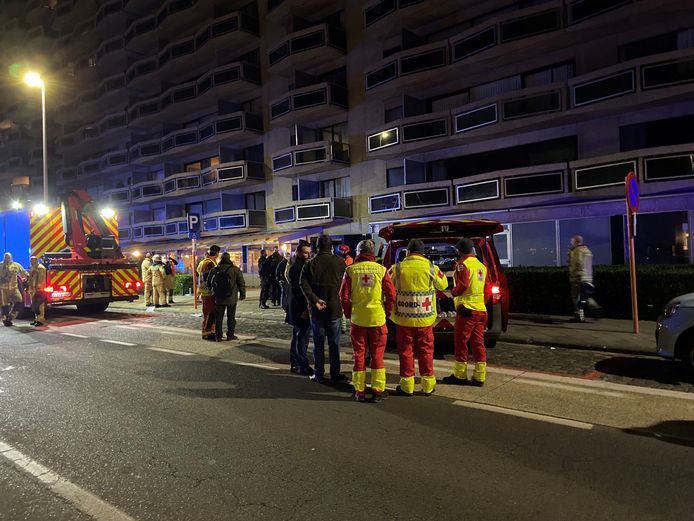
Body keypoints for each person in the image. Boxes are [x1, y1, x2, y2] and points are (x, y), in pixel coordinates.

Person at [389, 239, 448, 397]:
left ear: (407, 252)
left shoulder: (397, 268)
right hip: (425, 319)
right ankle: (428, 386)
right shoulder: (431, 268)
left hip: (403, 319)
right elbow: (443, 285)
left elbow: (387, 286)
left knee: (406, 351)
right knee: (426, 351)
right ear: (423, 253)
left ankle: (407, 386)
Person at [339, 239, 396, 403]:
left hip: (358, 319)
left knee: (359, 355)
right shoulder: (381, 270)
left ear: (358, 252)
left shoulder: (350, 270)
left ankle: (360, 390)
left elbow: (343, 296)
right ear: (373, 253)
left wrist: (349, 314)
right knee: (378, 355)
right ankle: (378, 391)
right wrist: (387, 312)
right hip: (377, 318)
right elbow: (391, 294)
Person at [442, 238, 491, 387]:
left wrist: (453, 292)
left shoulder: (462, 265)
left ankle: (460, 375)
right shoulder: (481, 266)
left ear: (460, 251)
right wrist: (481, 304)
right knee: (478, 343)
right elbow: (487, 289)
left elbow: (463, 285)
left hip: (467, 310)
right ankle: (479, 376)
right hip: (481, 310)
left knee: (461, 342)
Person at [300, 235, 347, 383]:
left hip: (317, 310)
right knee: (334, 344)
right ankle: (335, 373)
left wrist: (315, 300)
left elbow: (303, 284)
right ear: (331, 247)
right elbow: (346, 283)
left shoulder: (310, 264)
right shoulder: (340, 262)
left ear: (317, 247)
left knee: (318, 344)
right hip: (334, 308)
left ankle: (319, 373)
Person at [287, 241, 313, 375]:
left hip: (298, 306)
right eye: (305, 252)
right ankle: (300, 364)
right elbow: (299, 291)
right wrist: (305, 309)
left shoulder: (300, 265)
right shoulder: (298, 268)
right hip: (299, 307)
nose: (308, 255)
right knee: (301, 336)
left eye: (309, 252)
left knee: (298, 335)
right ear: (298, 252)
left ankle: (296, 362)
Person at [209, 252, 246, 342]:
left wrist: (213, 291)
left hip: (218, 297)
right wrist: (242, 294)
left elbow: (209, 283)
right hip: (231, 297)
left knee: (219, 317)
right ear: (229, 259)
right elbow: (241, 283)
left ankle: (218, 336)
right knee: (231, 316)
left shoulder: (215, 269)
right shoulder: (235, 269)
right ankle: (230, 335)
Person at [568, 235, 601, 322]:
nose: (571, 242)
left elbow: (577, 263)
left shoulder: (576, 251)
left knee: (576, 297)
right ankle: (595, 307)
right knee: (585, 296)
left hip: (578, 277)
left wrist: (575, 274)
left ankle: (579, 316)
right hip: (588, 277)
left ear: (576, 242)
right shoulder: (587, 250)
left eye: (572, 241)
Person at [197, 245, 220, 340]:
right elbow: (210, 279)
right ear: (217, 253)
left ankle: (207, 331)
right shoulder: (210, 263)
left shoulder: (203, 261)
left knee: (207, 313)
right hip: (209, 292)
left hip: (204, 292)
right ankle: (207, 333)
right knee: (210, 313)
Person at [0, 252, 28, 327]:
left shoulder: (16, 265)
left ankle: (11, 315)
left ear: (11, 257)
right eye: (5, 257)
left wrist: (27, 278)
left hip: (13, 288)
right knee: (4, 305)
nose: (7, 258)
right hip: (3, 289)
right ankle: (5, 319)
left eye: (8, 257)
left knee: (20, 300)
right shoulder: (0, 265)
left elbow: (24, 273)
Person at [27, 256, 47, 327]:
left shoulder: (40, 268)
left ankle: (40, 320)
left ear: (36, 260)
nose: (31, 262)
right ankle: (36, 319)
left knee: (40, 305)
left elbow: (41, 280)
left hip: (39, 290)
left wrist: (39, 289)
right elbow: (30, 278)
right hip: (33, 289)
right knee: (35, 305)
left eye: (33, 260)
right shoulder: (33, 267)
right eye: (30, 260)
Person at [276, 251, 290, 317]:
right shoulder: (282, 263)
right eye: (287, 255)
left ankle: (285, 305)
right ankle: (284, 306)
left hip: (285, 280)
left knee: (286, 293)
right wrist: (280, 279)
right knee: (284, 293)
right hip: (283, 280)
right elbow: (278, 272)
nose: (288, 257)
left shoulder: (287, 263)